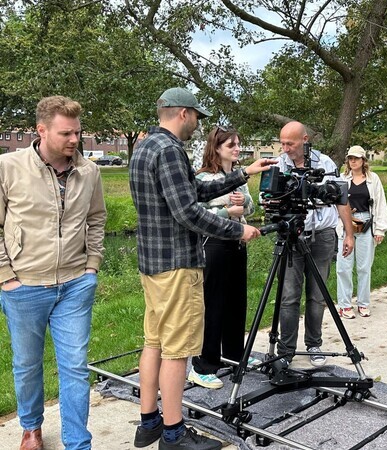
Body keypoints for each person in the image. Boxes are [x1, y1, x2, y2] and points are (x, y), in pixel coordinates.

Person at [129, 87, 274, 450]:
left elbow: (192, 190)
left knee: (154, 344)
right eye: (196, 116)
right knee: (177, 351)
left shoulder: (145, 147)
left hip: (152, 264)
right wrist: (238, 229)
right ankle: (174, 435)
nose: (197, 124)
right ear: (183, 113)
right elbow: (188, 212)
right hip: (178, 265)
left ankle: (149, 423)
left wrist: (242, 175)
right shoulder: (171, 150)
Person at [0, 96, 106, 450]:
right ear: (41, 130)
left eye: (78, 132)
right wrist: (6, 277)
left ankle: (78, 443)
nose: (75, 140)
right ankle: (31, 428)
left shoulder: (89, 171)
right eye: (66, 133)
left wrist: (92, 267)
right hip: (25, 286)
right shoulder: (8, 167)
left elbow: (96, 219)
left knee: (75, 366)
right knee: (28, 364)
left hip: (75, 284)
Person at [187, 125, 261, 390]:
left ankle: (233, 354)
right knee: (213, 305)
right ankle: (203, 365)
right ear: (216, 148)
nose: (238, 149)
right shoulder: (204, 179)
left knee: (236, 303)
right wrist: (226, 212)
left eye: (238, 144)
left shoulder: (238, 176)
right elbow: (197, 216)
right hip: (214, 246)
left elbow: (250, 208)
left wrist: (243, 203)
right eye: (232, 145)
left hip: (237, 245)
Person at [275, 121, 354, 367]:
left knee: (317, 295)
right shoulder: (279, 164)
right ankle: (285, 350)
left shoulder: (326, 163)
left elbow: (341, 199)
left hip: (322, 235)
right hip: (291, 236)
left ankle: (313, 345)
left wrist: (349, 234)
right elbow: (268, 198)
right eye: (283, 143)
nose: (286, 148)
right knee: (289, 296)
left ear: (305, 140)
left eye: (291, 143)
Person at [336, 145, 387, 319]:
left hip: (366, 223)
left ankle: (363, 303)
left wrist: (380, 229)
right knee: (344, 266)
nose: (353, 161)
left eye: (356, 158)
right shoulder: (342, 178)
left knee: (364, 267)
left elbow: (380, 203)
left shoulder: (373, 179)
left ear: (363, 160)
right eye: (350, 158)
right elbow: (335, 203)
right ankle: (344, 304)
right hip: (346, 223)